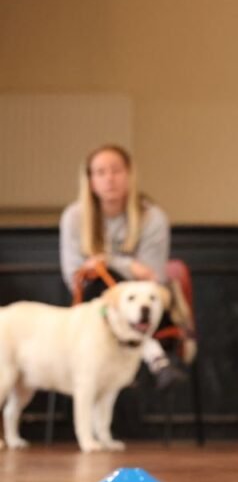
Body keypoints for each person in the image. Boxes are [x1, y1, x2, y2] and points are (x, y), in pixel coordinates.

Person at [59, 144, 188, 391]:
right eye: (100, 172)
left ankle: (126, 361)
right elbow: (74, 277)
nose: (109, 178)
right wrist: (124, 268)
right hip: (90, 311)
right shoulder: (74, 217)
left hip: (144, 310)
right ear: (90, 180)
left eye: (116, 171)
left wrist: (109, 261)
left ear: (129, 174)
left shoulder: (153, 218)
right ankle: (154, 358)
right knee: (96, 282)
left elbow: (152, 278)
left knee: (121, 287)